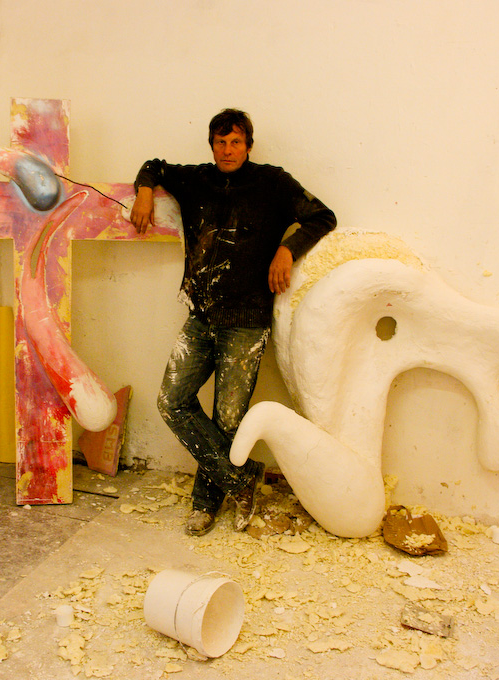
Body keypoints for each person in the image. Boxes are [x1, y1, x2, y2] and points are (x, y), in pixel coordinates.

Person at [130, 109, 336, 536]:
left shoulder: (272, 182)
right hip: (201, 315)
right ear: (211, 146)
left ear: (249, 146)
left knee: (228, 420)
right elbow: (153, 166)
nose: (228, 150)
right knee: (172, 402)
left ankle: (204, 505)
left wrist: (287, 250)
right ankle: (241, 480)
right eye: (221, 142)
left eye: (236, 142)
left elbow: (322, 217)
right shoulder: (196, 178)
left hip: (246, 322)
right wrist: (144, 193)